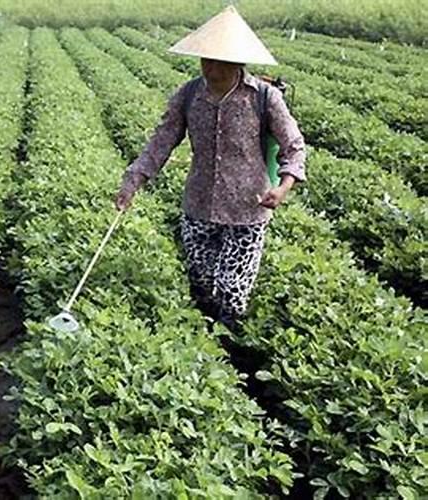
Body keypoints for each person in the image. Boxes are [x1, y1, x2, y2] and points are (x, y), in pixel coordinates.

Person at [115, 6, 306, 330]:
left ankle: (228, 350)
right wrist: (133, 181)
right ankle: (201, 346)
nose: (209, 67)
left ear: (237, 62)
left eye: (218, 61)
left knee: (232, 292)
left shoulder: (265, 97)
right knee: (201, 284)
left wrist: (284, 185)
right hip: (199, 205)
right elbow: (161, 141)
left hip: (248, 209)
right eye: (205, 59)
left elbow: (293, 145)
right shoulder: (188, 95)